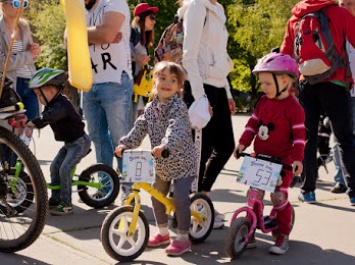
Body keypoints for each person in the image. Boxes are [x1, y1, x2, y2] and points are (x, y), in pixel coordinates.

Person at [115, 61, 197, 256]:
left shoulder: (178, 107)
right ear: (154, 82)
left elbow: (175, 127)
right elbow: (140, 128)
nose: (167, 83)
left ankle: (184, 237)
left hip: (182, 162)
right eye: (162, 78)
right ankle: (162, 233)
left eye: (173, 80)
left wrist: (165, 145)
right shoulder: (150, 108)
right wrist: (126, 144)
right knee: (156, 196)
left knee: (179, 198)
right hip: (161, 164)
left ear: (179, 86)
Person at [280, 0, 355, 205]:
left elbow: (285, 56)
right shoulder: (339, 13)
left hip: (307, 85)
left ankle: (308, 190)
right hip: (336, 83)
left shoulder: (295, 17)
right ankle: (354, 192)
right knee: (344, 139)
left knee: (307, 139)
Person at [234, 53, 306, 255]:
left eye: (267, 83)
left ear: (284, 81)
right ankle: (249, 230)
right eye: (262, 83)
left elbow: (300, 136)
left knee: (278, 197)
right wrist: (242, 144)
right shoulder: (263, 102)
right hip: (260, 157)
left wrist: (298, 159)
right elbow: (252, 125)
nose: (263, 88)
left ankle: (283, 234)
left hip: (282, 161)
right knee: (253, 195)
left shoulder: (294, 108)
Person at [179, 0, 236, 229]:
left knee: (225, 146)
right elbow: (188, 56)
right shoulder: (197, 6)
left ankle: (201, 200)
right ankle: (187, 213)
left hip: (218, 87)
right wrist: (200, 96)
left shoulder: (217, 9)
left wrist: (228, 92)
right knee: (199, 153)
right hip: (200, 87)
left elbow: (220, 55)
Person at [26, 68, 91, 216]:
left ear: (50, 91)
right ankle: (56, 198)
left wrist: (33, 123)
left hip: (80, 143)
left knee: (64, 169)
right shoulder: (52, 104)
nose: (38, 99)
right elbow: (45, 117)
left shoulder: (62, 104)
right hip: (69, 144)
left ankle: (66, 203)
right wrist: (31, 123)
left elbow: (49, 116)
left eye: (39, 95)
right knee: (54, 166)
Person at [84, 0, 133, 175]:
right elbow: (68, 39)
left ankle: (128, 191)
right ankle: (106, 190)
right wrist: (97, 34)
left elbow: (105, 35)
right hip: (89, 82)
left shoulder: (115, 2)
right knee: (97, 138)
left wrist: (94, 35)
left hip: (115, 81)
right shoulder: (81, 10)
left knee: (120, 138)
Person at [121, 3, 158, 204]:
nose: (154, 21)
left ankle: (130, 187)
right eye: (151, 17)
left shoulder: (144, 38)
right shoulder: (132, 32)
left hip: (138, 91)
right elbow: (124, 52)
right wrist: (139, 57)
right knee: (129, 134)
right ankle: (126, 190)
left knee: (134, 133)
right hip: (129, 88)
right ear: (140, 17)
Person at [0, 0, 41, 143]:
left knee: (26, 133)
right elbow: (2, 63)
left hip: (30, 84)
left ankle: (21, 165)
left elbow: (32, 57)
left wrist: (35, 52)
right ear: (3, 5)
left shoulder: (24, 26)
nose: (21, 8)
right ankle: (8, 164)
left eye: (24, 4)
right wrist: (29, 55)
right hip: (11, 87)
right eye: (16, 3)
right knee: (9, 133)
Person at [330, 0, 355, 194]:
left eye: (350, 3)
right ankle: (341, 179)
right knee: (339, 137)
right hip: (339, 90)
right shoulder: (333, 30)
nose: (345, 7)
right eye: (342, 3)